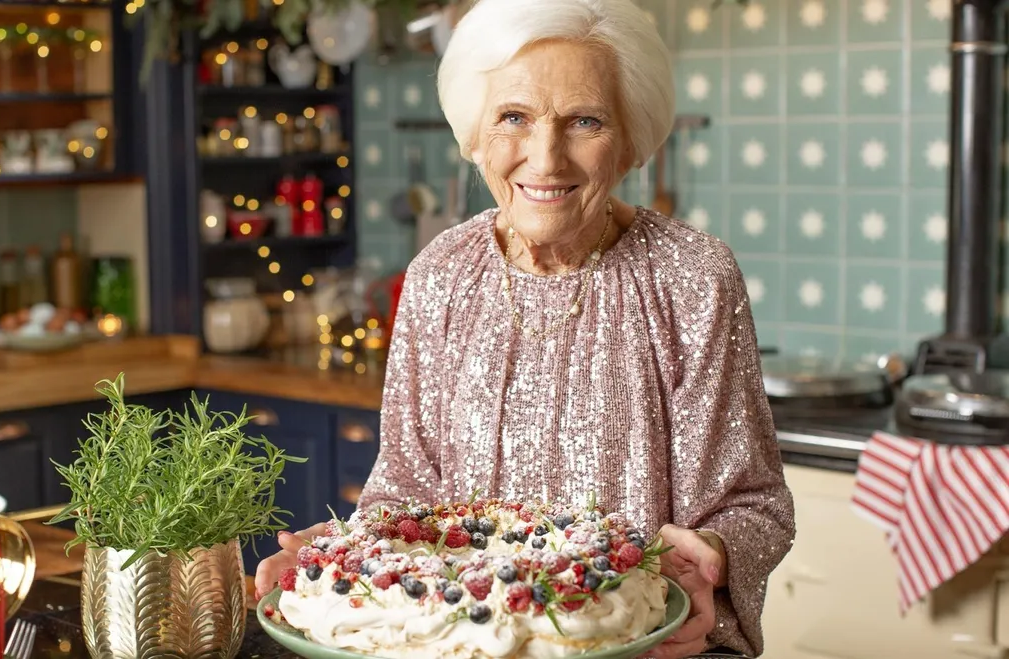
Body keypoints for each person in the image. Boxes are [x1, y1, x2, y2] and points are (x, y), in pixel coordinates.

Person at [256, 0, 795, 656]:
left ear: (630, 140)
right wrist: (344, 562)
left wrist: (711, 554)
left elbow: (754, 504)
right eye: (514, 116)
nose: (546, 158)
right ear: (475, 135)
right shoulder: (439, 276)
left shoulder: (692, 278)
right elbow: (405, 490)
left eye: (585, 121)